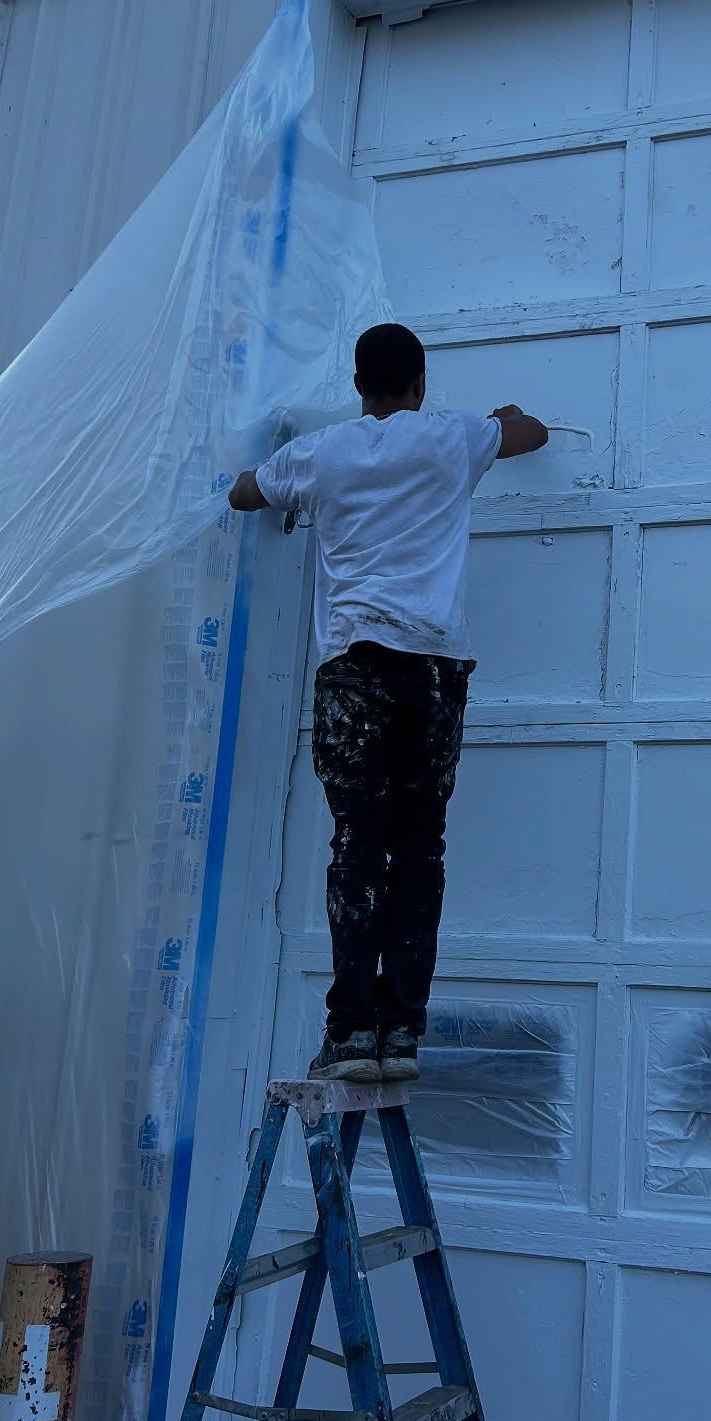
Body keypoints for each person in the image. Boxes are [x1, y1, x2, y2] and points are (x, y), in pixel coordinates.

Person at [228, 322, 548, 1083]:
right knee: (420, 851)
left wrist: (282, 467)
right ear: (421, 384)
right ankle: (400, 1031)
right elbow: (527, 434)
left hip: (356, 673)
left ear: (357, 385)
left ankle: (349, 1033)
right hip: (434, 673)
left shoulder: (325, 453)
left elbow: (244, 492)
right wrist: (501, 416)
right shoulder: (452, 438)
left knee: (356, 848)